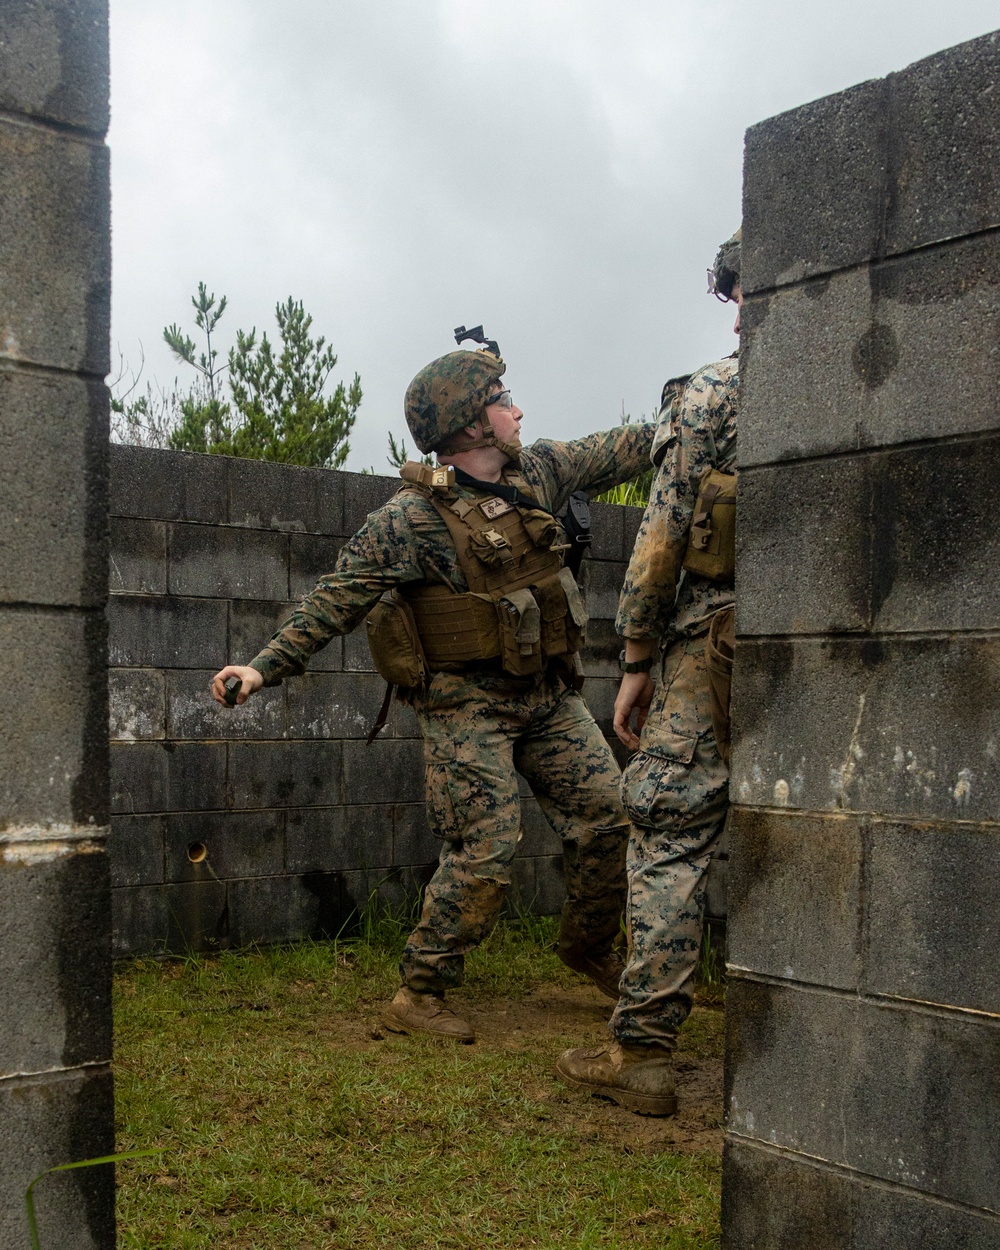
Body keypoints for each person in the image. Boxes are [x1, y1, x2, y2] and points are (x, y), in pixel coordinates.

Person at [211, 342, 656, 1043]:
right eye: (503, 399)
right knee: (485, 844)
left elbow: (623, 448)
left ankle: (586, 947)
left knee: (609, 815)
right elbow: (334, 600)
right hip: (463, 704)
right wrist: (262, 669)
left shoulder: (538, 471)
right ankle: (420, 989)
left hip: (545, 695)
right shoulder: (408, 520)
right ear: (472, 425)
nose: (518, 410)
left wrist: (697, 409)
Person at [556, 231, 743, 1115]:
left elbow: (663, 534)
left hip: (717, 644)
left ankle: (642, 1053)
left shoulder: (715, 392)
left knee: (668, 823)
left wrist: (635, 657)